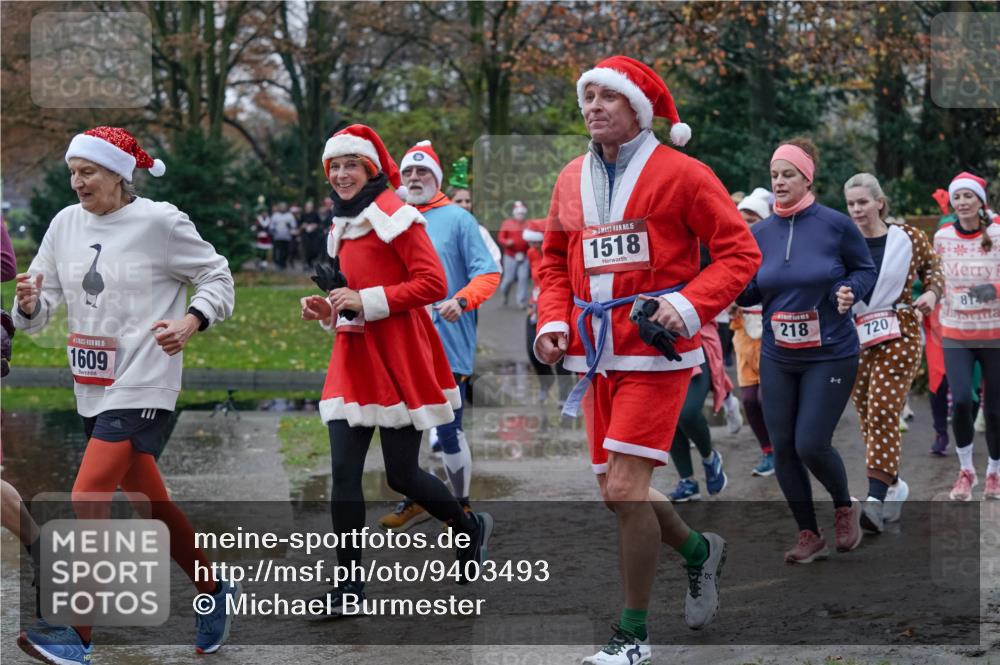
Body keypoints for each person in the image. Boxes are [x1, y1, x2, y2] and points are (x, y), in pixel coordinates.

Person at [534, 56, 760, 664]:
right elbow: (552, 261)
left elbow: (740, 254)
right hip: (592, 354)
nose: (594, 107)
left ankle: (632, 635)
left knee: (627, 489)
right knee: (616, 493)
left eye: (608, 97)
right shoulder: (569, 178)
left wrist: (687, 305)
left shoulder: (684, 173)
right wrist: (553, 321)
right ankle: (699, 552)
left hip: (655, 354)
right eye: (588, 97)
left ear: (639, 107)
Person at [12, 126, 239, 664]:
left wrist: (191, 320)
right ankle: (213, 588)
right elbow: (38, 313)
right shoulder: (65, 224)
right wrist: (28, 305)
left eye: (88, 172)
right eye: (73, 172)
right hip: (92, 385)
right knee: (150, 503)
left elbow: (218, 276)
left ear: (118, 173)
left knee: (88, 493)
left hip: (146, 378)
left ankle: (76, 632)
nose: (77, 182)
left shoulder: (161, 222)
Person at [300, 125, 492, 614]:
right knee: (343, 474)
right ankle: (348, 589)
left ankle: (468, 526)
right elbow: (348, 293)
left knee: (402, 475)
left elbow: (432, 283)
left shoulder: (397, 215)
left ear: (370, 169)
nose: (341, 174)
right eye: (334, 166)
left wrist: (365, 300)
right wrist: (328, 309)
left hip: (399, 357)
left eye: (351, 165)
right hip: (353, 357)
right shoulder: (340, 224)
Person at [737, 138, 876, 563]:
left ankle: (844, 506)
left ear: (807, 179)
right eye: (774, 175)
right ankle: (808, 534)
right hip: (779, 355)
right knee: (783, 446)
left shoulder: (835, 225)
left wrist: (850, 290)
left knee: (811, 444)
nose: (779, 182)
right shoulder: (760, 234)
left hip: (830, 352)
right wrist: (732, 285)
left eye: (788, 175)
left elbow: (864, 269)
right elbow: (752, 290)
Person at [378, 140, 500, 529]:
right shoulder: (392, 218)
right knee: (403, 428)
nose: (414, 178)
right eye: (408, 172)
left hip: (448, 343)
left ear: (437, 178)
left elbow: (488, 273)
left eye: (423, 171)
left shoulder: (459, 220)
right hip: (400, 341)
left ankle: (462, 507)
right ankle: (418, 496)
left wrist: (462, 300)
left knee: (447, 430)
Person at [843, 173, 943, 531]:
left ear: (880, 202)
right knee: (868, 415)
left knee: (884, 409)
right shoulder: (842, 240)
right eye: (851, 204)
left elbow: (934, 269)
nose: (857, 209)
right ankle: (893, 484)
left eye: (863, 202)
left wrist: (931, 293)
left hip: (899, 332)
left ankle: (874, 500)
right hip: (855, 337)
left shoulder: (908, 237)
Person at [934, 172, 1000, 500]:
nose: (961, 202)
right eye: (957, 197)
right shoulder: (942, 237)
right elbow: (935, 277)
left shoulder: (998, 234)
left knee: (995, 409)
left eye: (968, 196)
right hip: (956, 332)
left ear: (980, 201)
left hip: (994, 333)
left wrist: (990, 290)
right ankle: (966, 471)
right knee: (961, 400)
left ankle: (994, 472)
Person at [730, 188, 775, 476]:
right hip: (744, 334)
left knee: (765, 398)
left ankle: (784, 449)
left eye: (752, 219)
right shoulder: (732, 252)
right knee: (748, 399)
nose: (746, 225)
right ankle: (768, 451)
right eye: (742, 219)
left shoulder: (775, 251)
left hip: (772, 334)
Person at [523, 219, 572, 405]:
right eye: (529, 242)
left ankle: (564, 396)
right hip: (536, 304)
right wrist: (532, 302)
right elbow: (537, 281)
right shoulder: (531, 253)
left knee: (560, 352)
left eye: (535, 242)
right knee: (532, 348)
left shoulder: (556, 252)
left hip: (556, 306)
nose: (531, 246)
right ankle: (546, 381)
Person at [498, 201, 532, 307]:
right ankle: (505, 293)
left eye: (522, 214)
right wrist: (506, 242)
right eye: (518, 213)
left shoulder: (528, 224)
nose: (520, 215)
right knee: (509, 279)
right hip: (510, 255)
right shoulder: (507, 223)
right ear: (514, 213)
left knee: (523, 278)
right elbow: (501, 237)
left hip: (524, 255)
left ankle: (521, 301)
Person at [269, 202, 297, 269]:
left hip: (287, 237)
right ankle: (278, 263)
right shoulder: (275, 215)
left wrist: (289, 225)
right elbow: (271, 226)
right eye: (281, 207)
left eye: (284, 207)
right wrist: (273, 230)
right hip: (277, 237)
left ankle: (283, 263)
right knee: (278, 250)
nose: (282, 208)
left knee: (285, 251)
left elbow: (294, 225)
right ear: (279, 208)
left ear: (286, 208)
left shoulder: (289, 216)